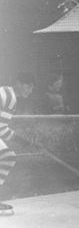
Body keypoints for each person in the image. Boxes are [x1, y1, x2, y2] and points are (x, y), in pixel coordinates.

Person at [0, 72, 36, 214]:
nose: (30, 90)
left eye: (32, 88)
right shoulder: (10, 98)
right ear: (18, 83)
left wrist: (25, 142)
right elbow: (2, 130)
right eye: (28, 86)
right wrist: (25, 142)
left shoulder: (6, 92)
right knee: (8, 157)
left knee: (7, 157)